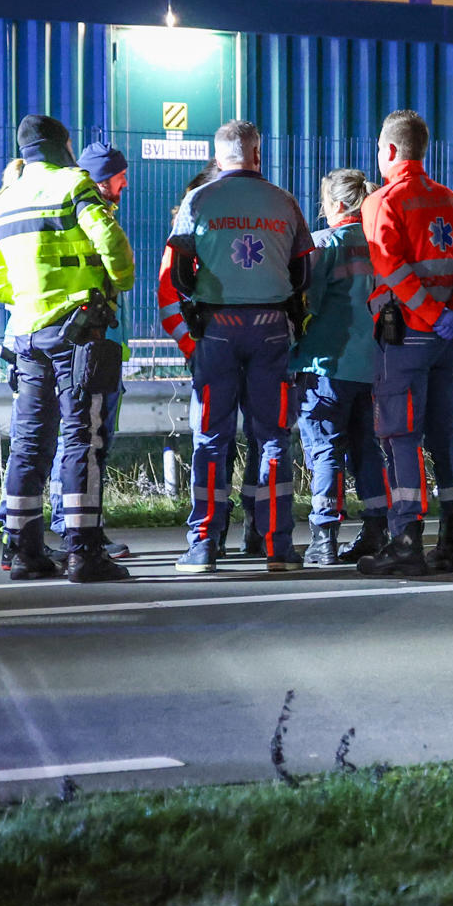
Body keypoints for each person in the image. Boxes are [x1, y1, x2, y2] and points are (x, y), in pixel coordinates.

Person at [0, 114, 134, 583]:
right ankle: (84, 553)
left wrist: (30, 298)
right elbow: (109, 239)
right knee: (79, 440)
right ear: (62, 145)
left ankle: (25, 552)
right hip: (76, 332)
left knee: (28, 444)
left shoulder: (2, 205)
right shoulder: (73, 184)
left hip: (26, 335)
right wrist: (118, 281)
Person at [160, 120, 313, 574]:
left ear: (218, 154)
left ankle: (204, 544)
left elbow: (178, 273)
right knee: (273, 439)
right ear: (257, 154)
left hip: (217, 330)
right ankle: (277, 547)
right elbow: (303, 273)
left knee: (211, 438)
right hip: (271, 330)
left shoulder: (199, 200)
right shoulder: (284, 201)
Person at [356, 110, 453, 577]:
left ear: (390, 151)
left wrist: (431, 317)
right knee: (445, 435)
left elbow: (391, 268)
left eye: (378, 150)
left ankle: (406, 539)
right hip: (449, 341)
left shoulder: (383, 203)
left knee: (399, 437)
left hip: (408, 335)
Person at [161, 164, 269, 560]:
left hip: (232, 345)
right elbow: (170, 300)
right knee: (226, 444)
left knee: (243, 440)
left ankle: (248, 529)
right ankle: (219, 531)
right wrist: (196, 349)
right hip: (217, 348)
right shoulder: (189, 236)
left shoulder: (238, 228)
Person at [293, 169, 390, 566]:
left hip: (326, 366)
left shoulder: (324, 244)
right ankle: (376, 530)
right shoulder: (378, 245)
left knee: (324, 449)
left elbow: (305, 303)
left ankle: (324, 538)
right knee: (368, 450)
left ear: (335, 205)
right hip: (373, 367)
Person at [44, 140, 135, 561]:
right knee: (83, 439)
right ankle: (76, 529)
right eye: (119, 176)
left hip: (97, 346)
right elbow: (116, 268)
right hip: (86, 344)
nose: (125, 184)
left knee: (89, 439)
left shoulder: (83, 210)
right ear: (103, 178)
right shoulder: (85, 214)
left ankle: (81, 526)